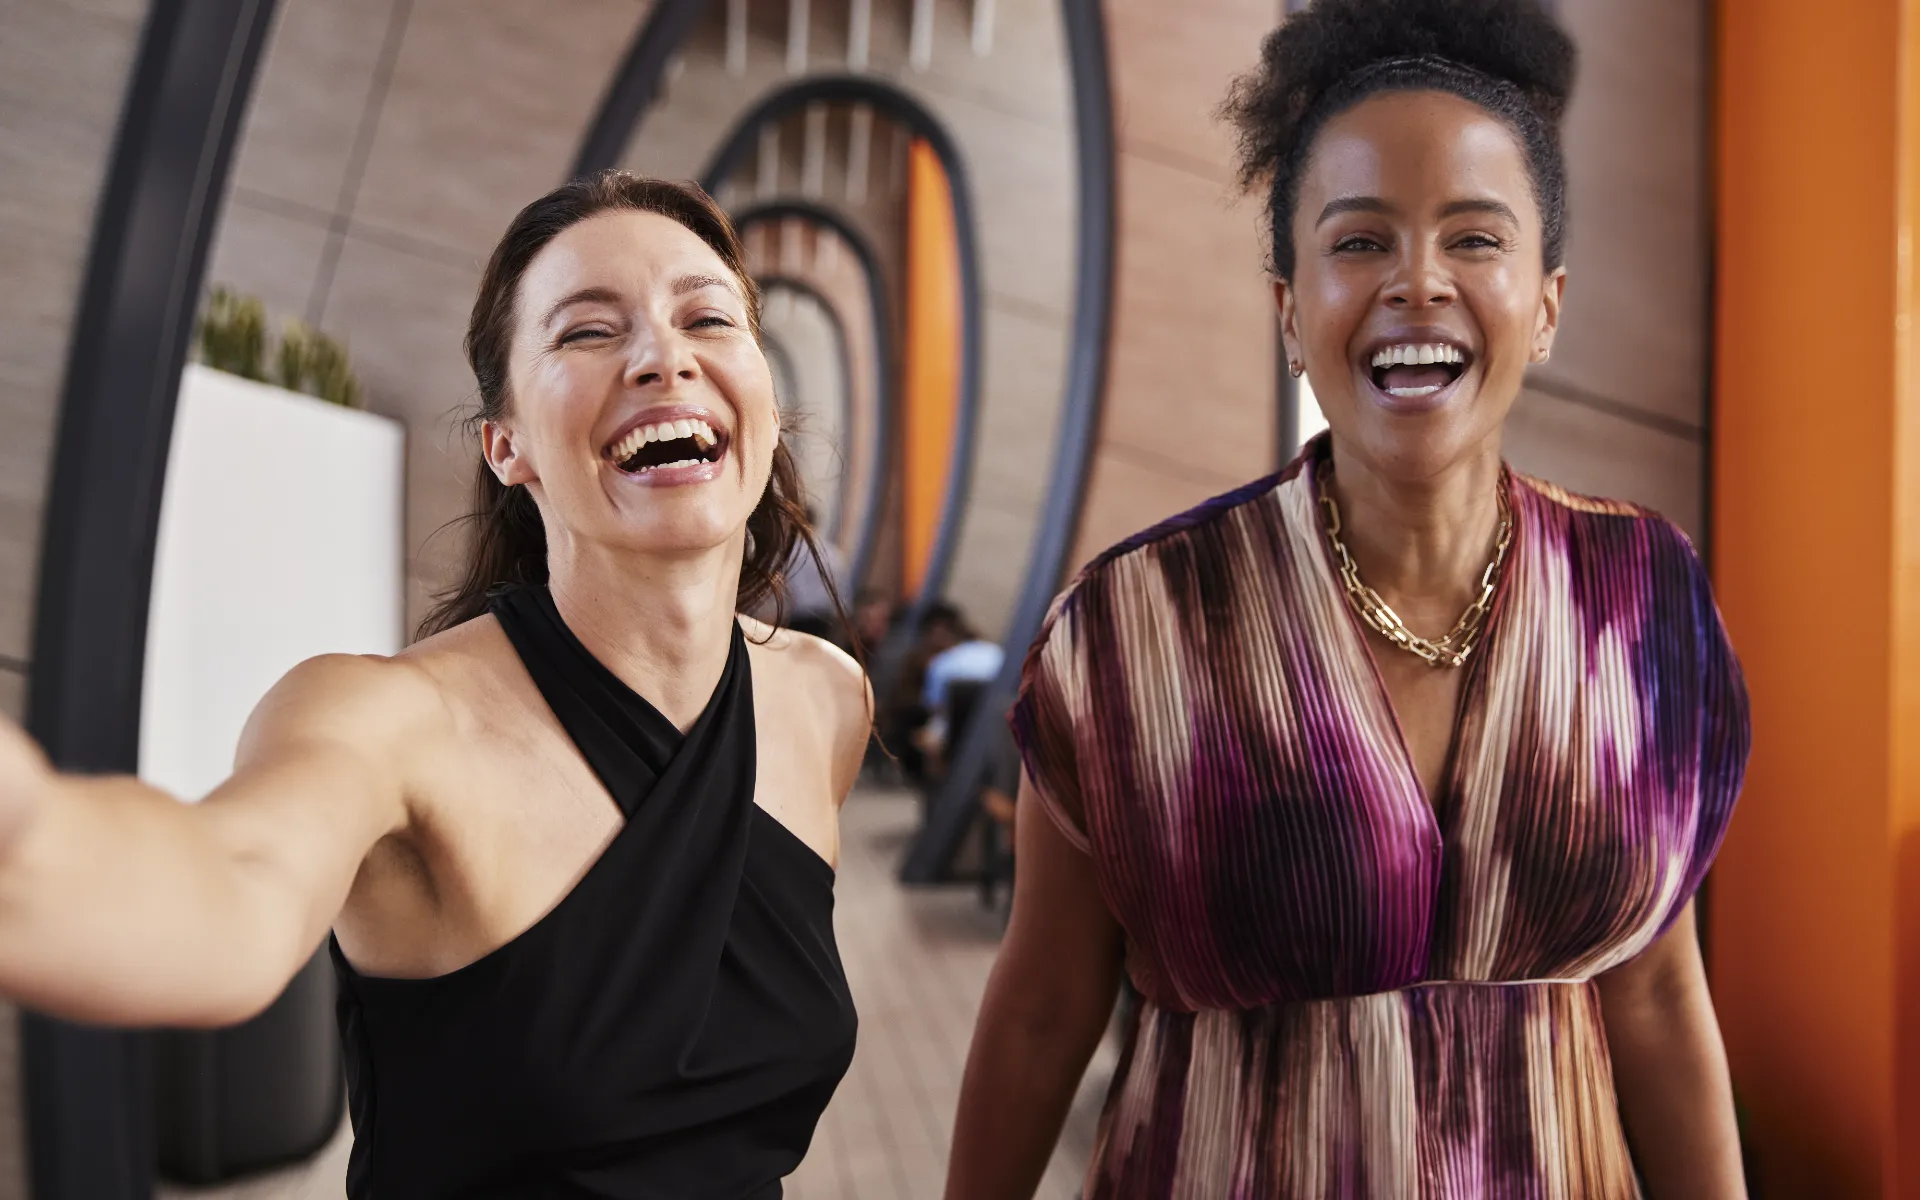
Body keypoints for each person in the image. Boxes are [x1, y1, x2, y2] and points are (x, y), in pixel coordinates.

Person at [946, 2, 1749, 1197]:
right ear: (1288, 309)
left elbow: (1655, 992)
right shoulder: (1134, 632)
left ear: (1547, 304)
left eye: (1475, 240)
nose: (1417, 281)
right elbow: (1044, 1008)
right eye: (1360, 241)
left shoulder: (1643, 607)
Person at [0, 172, 871, 1198]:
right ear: (508, 447)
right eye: (588, 332)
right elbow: (229, 887)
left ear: (765, 400)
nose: (661, 356)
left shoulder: (825, 701)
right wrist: (27, 840)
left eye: (708, 316)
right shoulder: (389, 722)